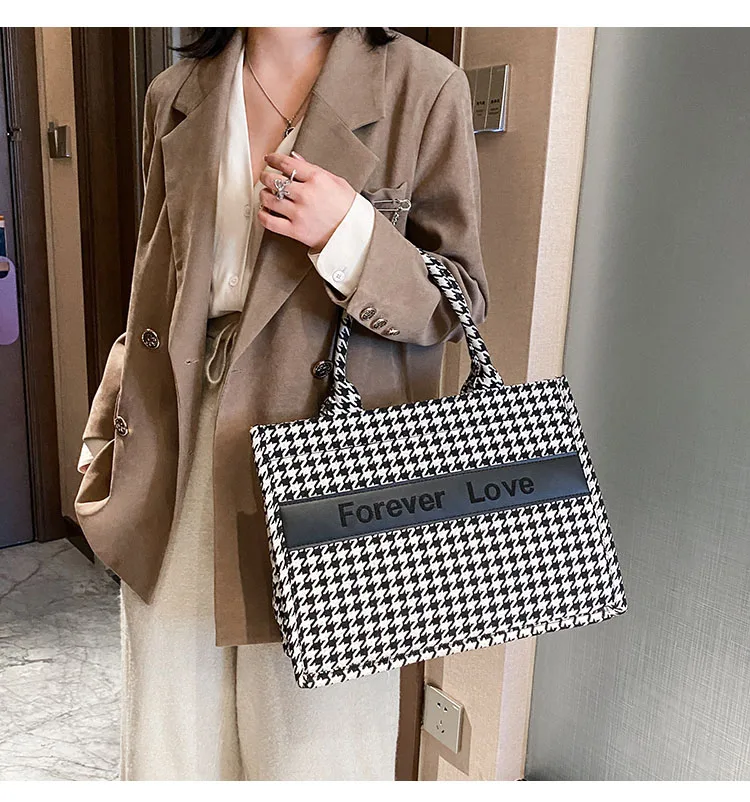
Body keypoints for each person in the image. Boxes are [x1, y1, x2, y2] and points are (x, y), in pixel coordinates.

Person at [75, 26, 488, 781]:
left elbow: (455, 301)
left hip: (333, 453)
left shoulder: (423, 88)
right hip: (181, 442)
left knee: (313, 749)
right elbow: (154, 280)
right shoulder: (176, 92)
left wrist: (352, 233)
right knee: (173, 735)